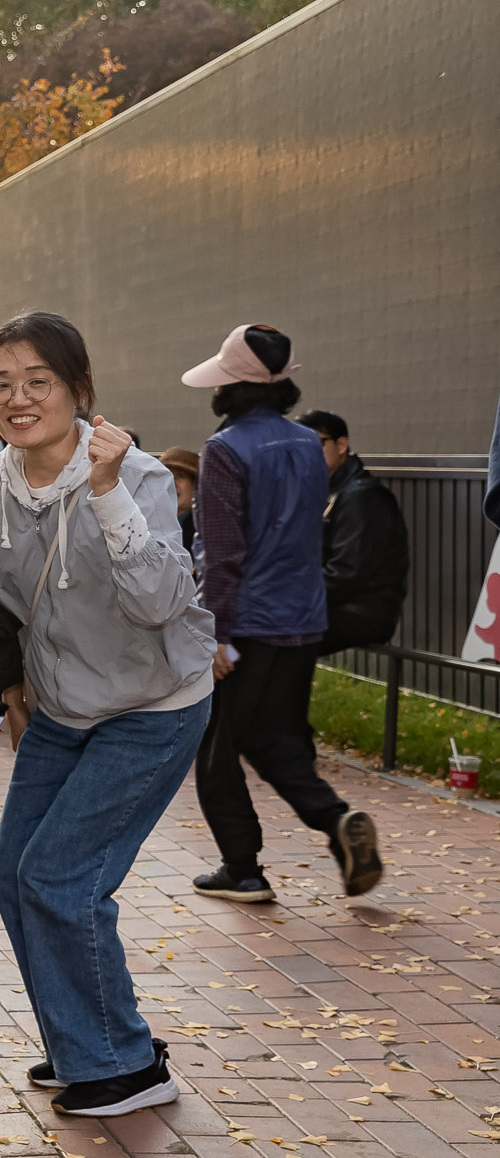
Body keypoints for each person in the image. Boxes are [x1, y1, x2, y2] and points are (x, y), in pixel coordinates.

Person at [0, 313, 212, 1117]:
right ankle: (82, 1041)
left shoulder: (133, 473)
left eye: (39, 381)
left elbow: (159, 601)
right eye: (1, 382)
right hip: (63, 709)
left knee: (60, 878)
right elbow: (8, 605)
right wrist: (15, 689)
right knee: (15, 875)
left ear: (80, 390)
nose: (18, 397)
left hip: (153, 705)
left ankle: (126, 1063)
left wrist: (104, 491)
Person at [183, 325, 381, 902]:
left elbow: (222, 554)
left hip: (245, 623)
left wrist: (213, 634)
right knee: (277, 740)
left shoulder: (223, 450)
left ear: (230, 386)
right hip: (303, 618)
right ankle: (336, 819)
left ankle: (242, 868)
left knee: (217, 746)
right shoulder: (304, 443)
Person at [296, 410, 409, 652]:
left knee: (269, 632)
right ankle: (224, 672)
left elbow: (348, 573)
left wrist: (291, 599)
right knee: (253, 629)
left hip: (361, 611)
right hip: (332, 605)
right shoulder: (323, 491)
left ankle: (243, 681)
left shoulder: (362, 496)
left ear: (341, 445)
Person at [157, 447, 201, 556]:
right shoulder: (147, 522)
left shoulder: (204, 527)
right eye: (167, 476)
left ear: (194, 486)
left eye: (180, 477)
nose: (172, 483)